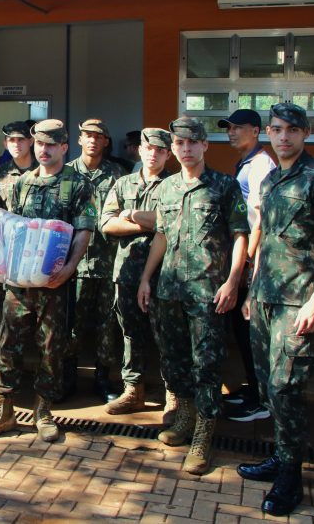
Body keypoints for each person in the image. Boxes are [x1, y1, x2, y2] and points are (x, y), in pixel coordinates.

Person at [237, 103, 314, 516]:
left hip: (298, 302)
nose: (283, 137)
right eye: (277, 130)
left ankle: (290, 477)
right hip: (266, 296)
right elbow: (262, 235)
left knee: (288, 390)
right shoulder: (270, 179)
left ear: (305, 133)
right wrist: (250, 289)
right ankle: (280, 457)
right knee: (269, 388)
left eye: (292, 130)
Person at [0, 119, 96, 443]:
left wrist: (69, 268)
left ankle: (43, 411)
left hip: (54, 285)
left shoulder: (77, 184)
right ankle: (3, 412)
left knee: (51, 349)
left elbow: (85, 230)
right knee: (6, 347)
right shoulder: (22, 183)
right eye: (40, 144)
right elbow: (10, 228)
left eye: (51, 145)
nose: (44, 150)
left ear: (64, 147)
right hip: (18, 285)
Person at [137, 117, 248, 476]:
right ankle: (184, 418)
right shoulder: (166, 188)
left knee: (207, 364)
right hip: (169, 290)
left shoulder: (224, 186)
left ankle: (203, 435)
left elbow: (240, 236)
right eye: (178, 144)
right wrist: (145, 279)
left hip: (207, 292)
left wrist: (233, 281)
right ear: (173, 149)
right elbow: (162, 237)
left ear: (204, 146)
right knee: (174, 359)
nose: (185, 149)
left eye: (191, 143)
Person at [101, 128, 172, 416]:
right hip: (128, 271)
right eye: (148, 148)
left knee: (168, 335)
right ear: (140, 150)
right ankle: (134, 390)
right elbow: (106, 224)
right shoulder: (123, 183)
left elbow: (172, 222)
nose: (153, 154)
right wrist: (147, 224)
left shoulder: (174, 185)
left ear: (168, 153)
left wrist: (129, 215)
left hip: (165, 273)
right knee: (131, 333)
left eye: (160, 150)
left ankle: (174, 395)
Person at [217, 109, 276, 422]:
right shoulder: (246, 163)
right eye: (229, 128)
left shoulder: (261, 165)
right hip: (242, 260)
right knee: (242, 332)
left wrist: (246, 265)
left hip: (252, 263)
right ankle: (253, 390)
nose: (232, 132)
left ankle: (262, 401)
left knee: (254, 334)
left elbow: (260, 220)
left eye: (238, 127)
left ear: (256, 131)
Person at [65, 119, 125, 403]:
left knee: (107, 323)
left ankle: (103, 377)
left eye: (98, 137)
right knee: (71, 323)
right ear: (79, 140)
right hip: (73, 264)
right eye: (87, 135)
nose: (92, 140)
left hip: (107, 261)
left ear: (105, 142)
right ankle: (67, 376)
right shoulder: (65, 174)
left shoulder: (117, 175)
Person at [0, 120, 37, 382]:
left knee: (41, 317)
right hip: (7, 256)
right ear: (5, 143)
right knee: (5, 313)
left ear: (31, 141)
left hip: (37, 256)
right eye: (11, 140)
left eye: (21, 139)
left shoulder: (44, 169)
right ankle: (5, 368)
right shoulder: (1, 172)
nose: (16, 144)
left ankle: (42, 371)